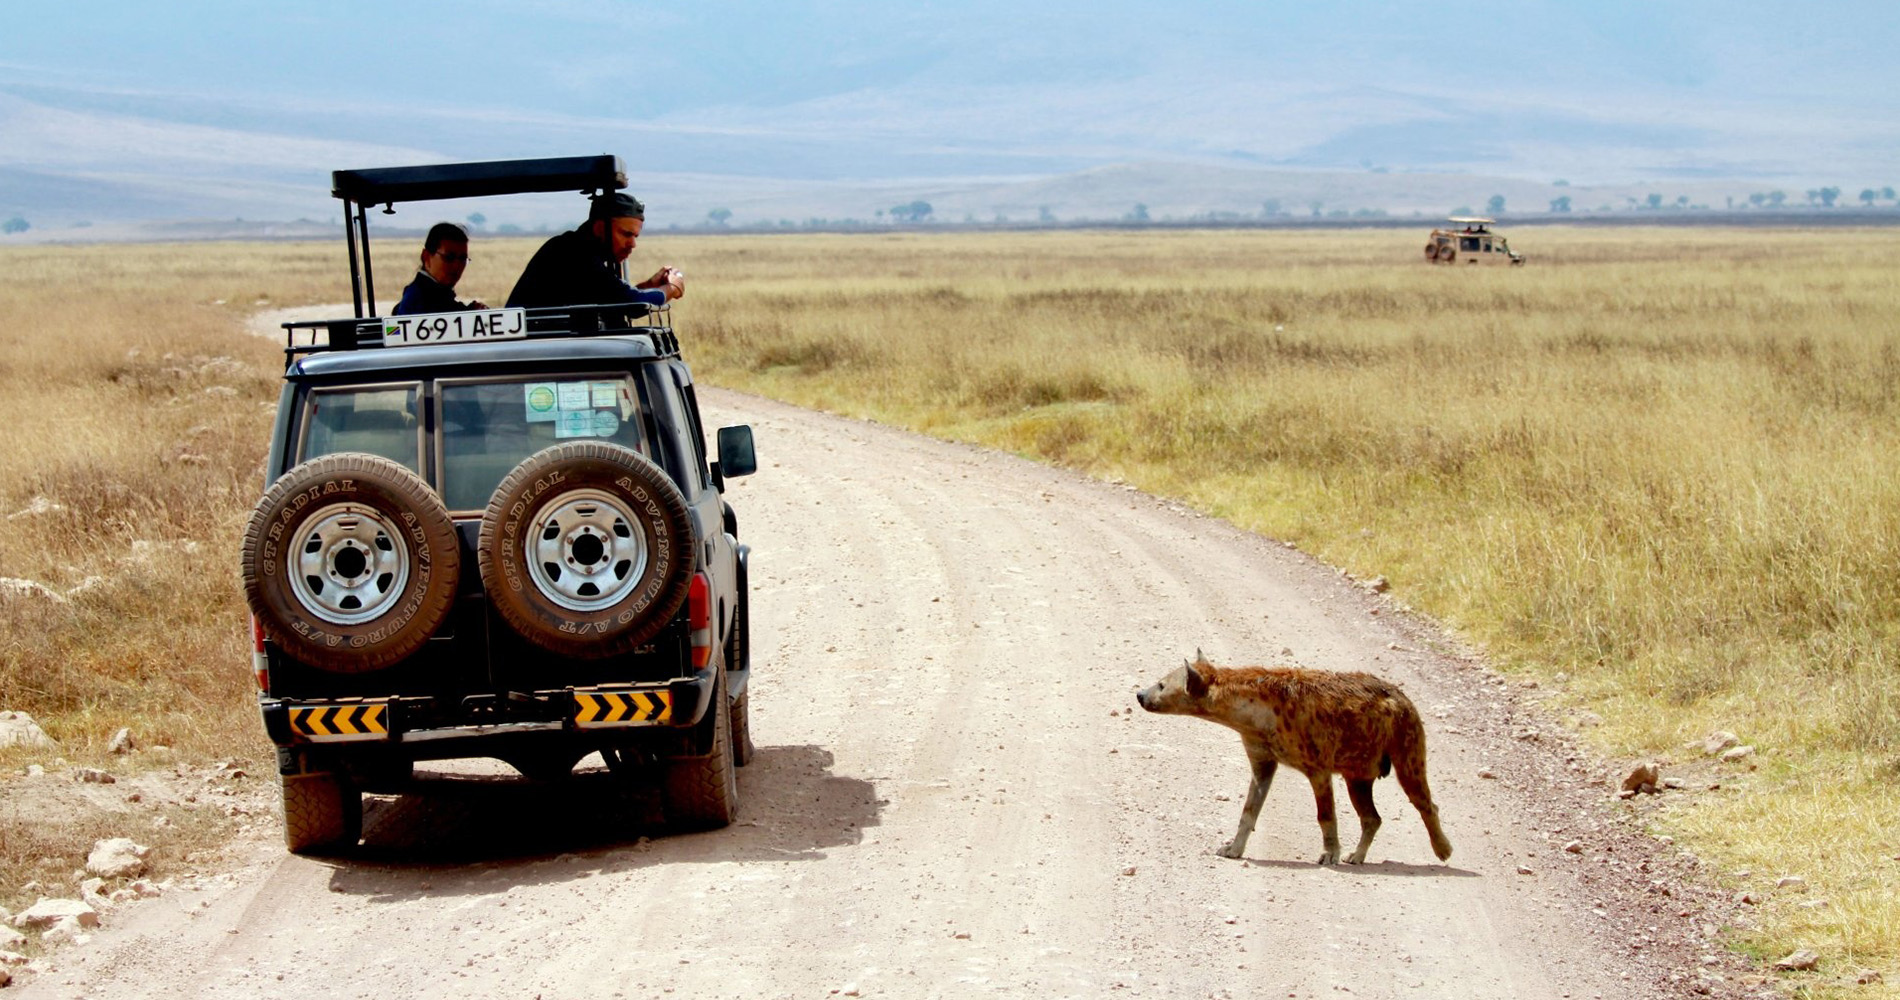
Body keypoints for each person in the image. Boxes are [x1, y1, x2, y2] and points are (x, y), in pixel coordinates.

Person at [506, 192, 684, 310]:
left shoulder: (578, 249)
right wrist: (672, 287)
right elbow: (633, 305)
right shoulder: (573, 254)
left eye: (635, 237)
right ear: (600, 228)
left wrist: (649, 286)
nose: (632, 244)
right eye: (626, 234)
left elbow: (614, 300)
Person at [392, 222, 488, 315]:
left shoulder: (425, 296)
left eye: (462, 259)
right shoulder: (419, 300)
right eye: (449, 257)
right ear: (426, 257)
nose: (457, 266)